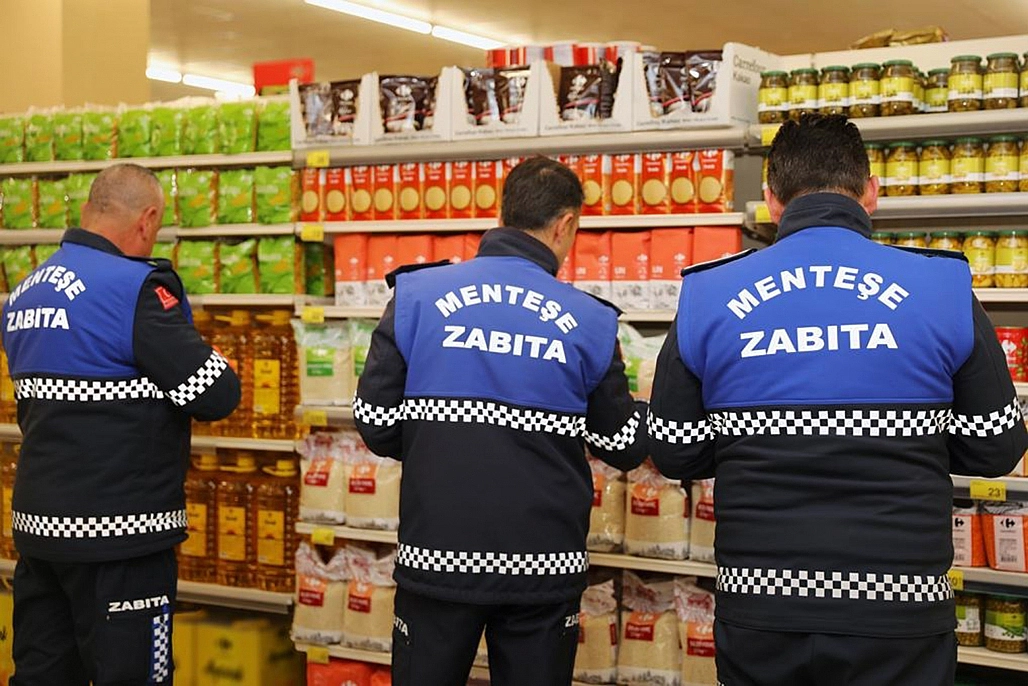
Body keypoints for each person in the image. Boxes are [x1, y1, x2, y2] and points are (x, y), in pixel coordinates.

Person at [648, 114, 1028, 686]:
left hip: (760, 607)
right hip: (900, 609)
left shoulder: (709, 293)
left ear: (772, 200)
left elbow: (675, 450)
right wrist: (914, 439)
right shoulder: (941, 286)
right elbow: (996, 447)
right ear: (871, 192)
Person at [354, 156, 647, 686]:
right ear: (565, 225)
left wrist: (440, 442)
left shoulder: (418, 295)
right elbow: (622, 442)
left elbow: (375, 422)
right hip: (542, 568)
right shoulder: (590, 320)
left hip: (437, 556)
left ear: (504, 213)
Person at [2, 164, 241, 686]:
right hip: (120, 536)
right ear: (147, 219)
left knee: (42, 674)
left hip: (40, 531)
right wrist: (216, 360)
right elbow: (215, 394)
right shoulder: (134, 290)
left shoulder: (23, 293)